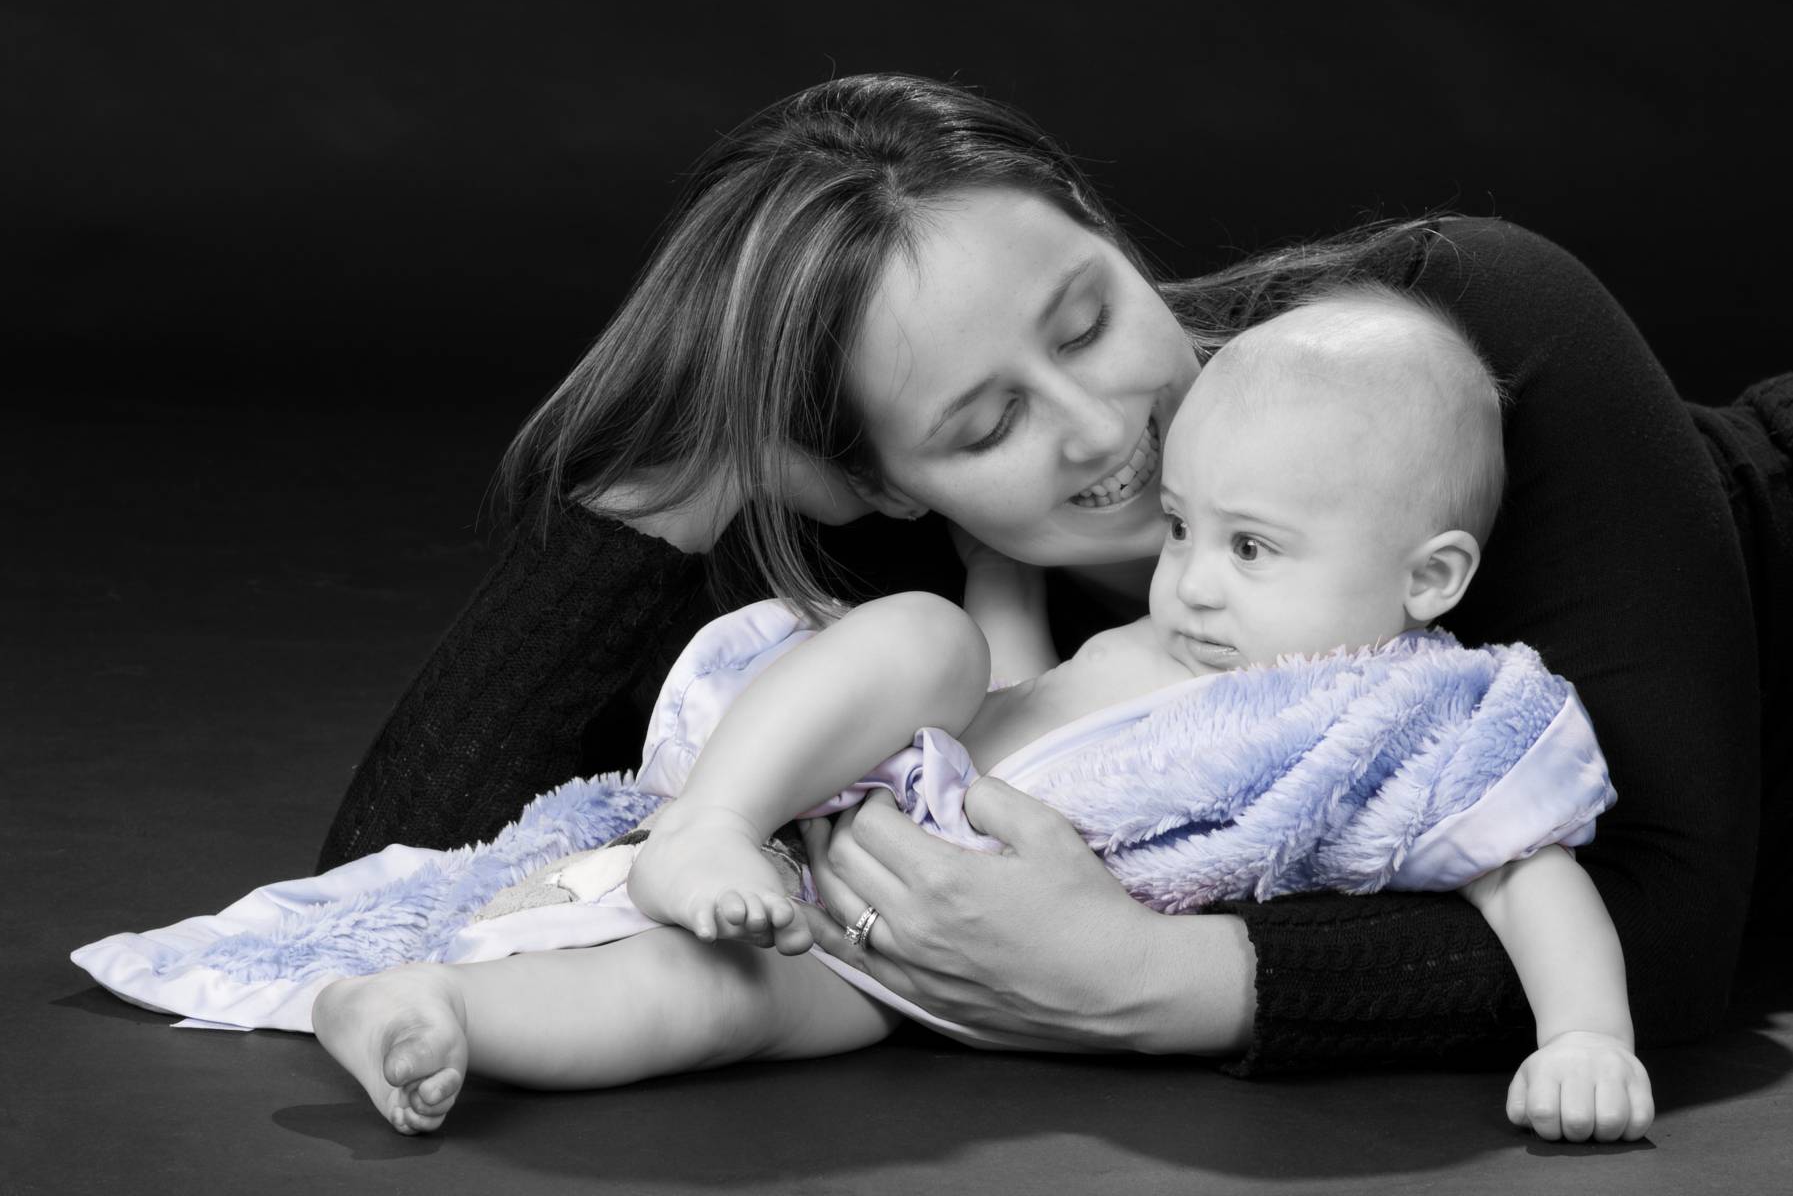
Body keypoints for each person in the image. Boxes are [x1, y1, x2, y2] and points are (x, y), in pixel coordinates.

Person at [313, 74, 1790, 1115]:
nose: (1095, 430)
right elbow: (393, 877)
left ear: (1093, 219)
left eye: (1085, 317)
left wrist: (1151, 980)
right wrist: (694, 474)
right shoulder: (915, 598)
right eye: (979, 427)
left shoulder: (1449, 336)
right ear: (880, 481)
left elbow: (1668, 928)